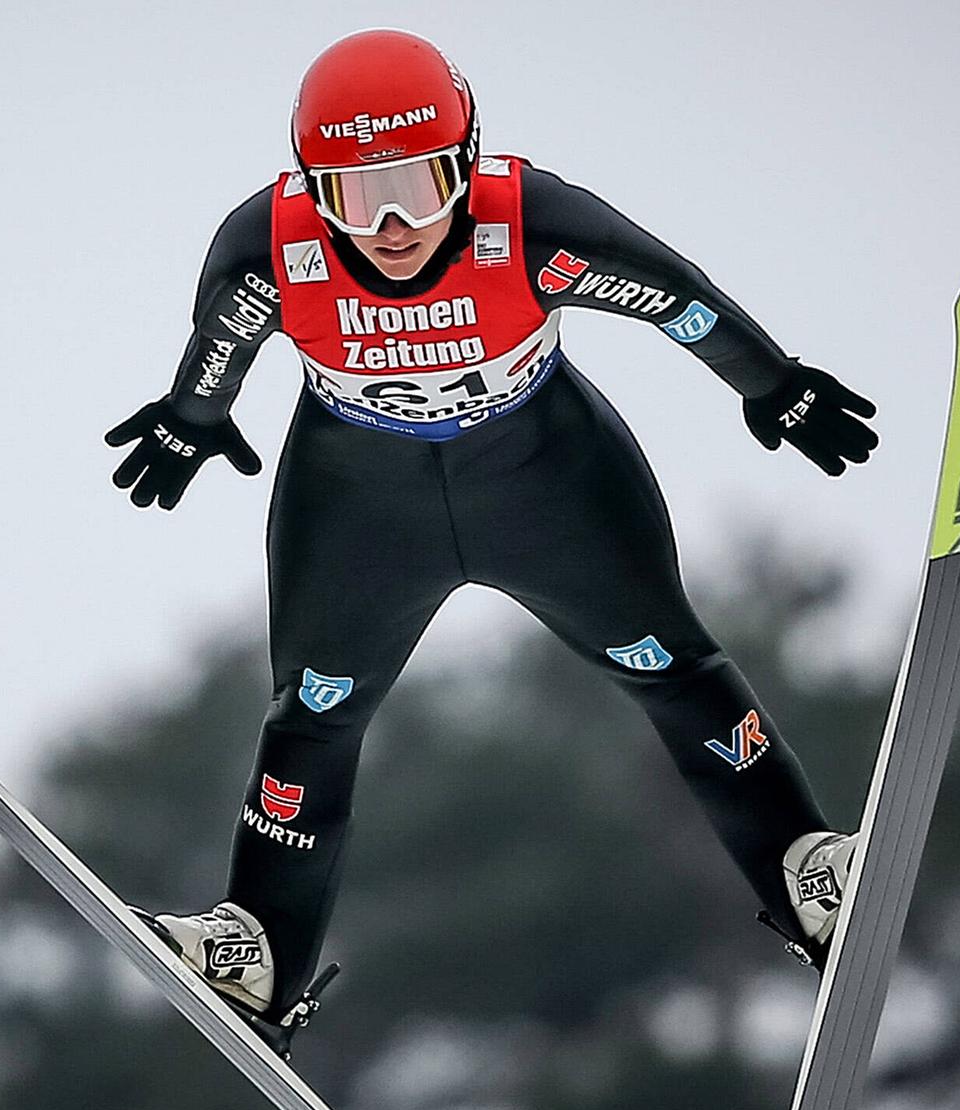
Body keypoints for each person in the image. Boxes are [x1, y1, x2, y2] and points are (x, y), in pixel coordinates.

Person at [106, 29, 874, 1054]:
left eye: (418, 189)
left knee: (671, 663)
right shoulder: (267, 249)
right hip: (362, 505)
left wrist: (771, 383)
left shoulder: (534, 223)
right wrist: (194, 417)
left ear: (466, 166)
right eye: (352, 193)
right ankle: (259, 953)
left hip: (545, 482)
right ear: (308, 190)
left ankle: (803, 871)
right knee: (313, 715)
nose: (387, 226)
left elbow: (679, 299)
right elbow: (219, 343)